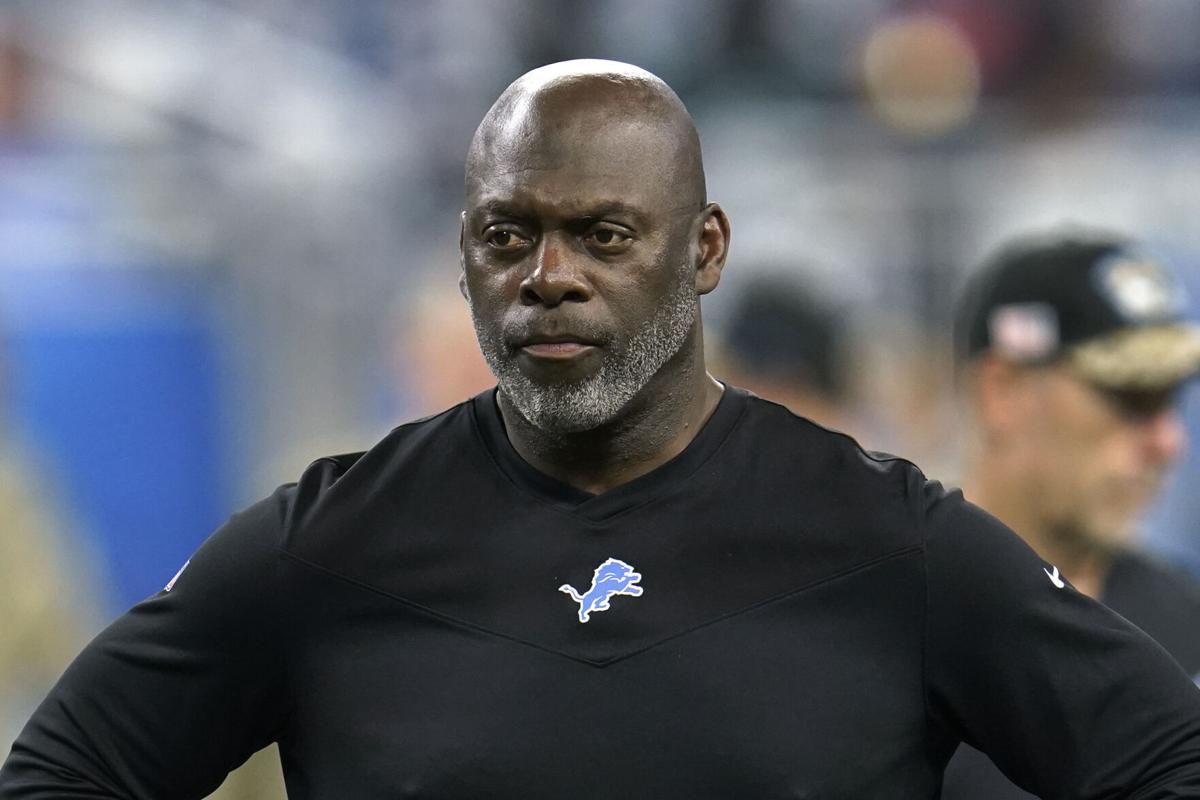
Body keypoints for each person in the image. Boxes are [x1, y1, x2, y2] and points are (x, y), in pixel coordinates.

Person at [3, 60, 1200, 799]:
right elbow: (64, 771)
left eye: (606, 235)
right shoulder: (325, 538)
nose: (549, 277)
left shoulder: (893, 538)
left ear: (706, 250)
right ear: (464, 256)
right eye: (507, 235)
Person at [942, 231, 1200, 799]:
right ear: (1002, 391)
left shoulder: (1186, 619)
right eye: (1130, 397)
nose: (1169, 441)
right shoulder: (881, 630)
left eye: (1171, 399)